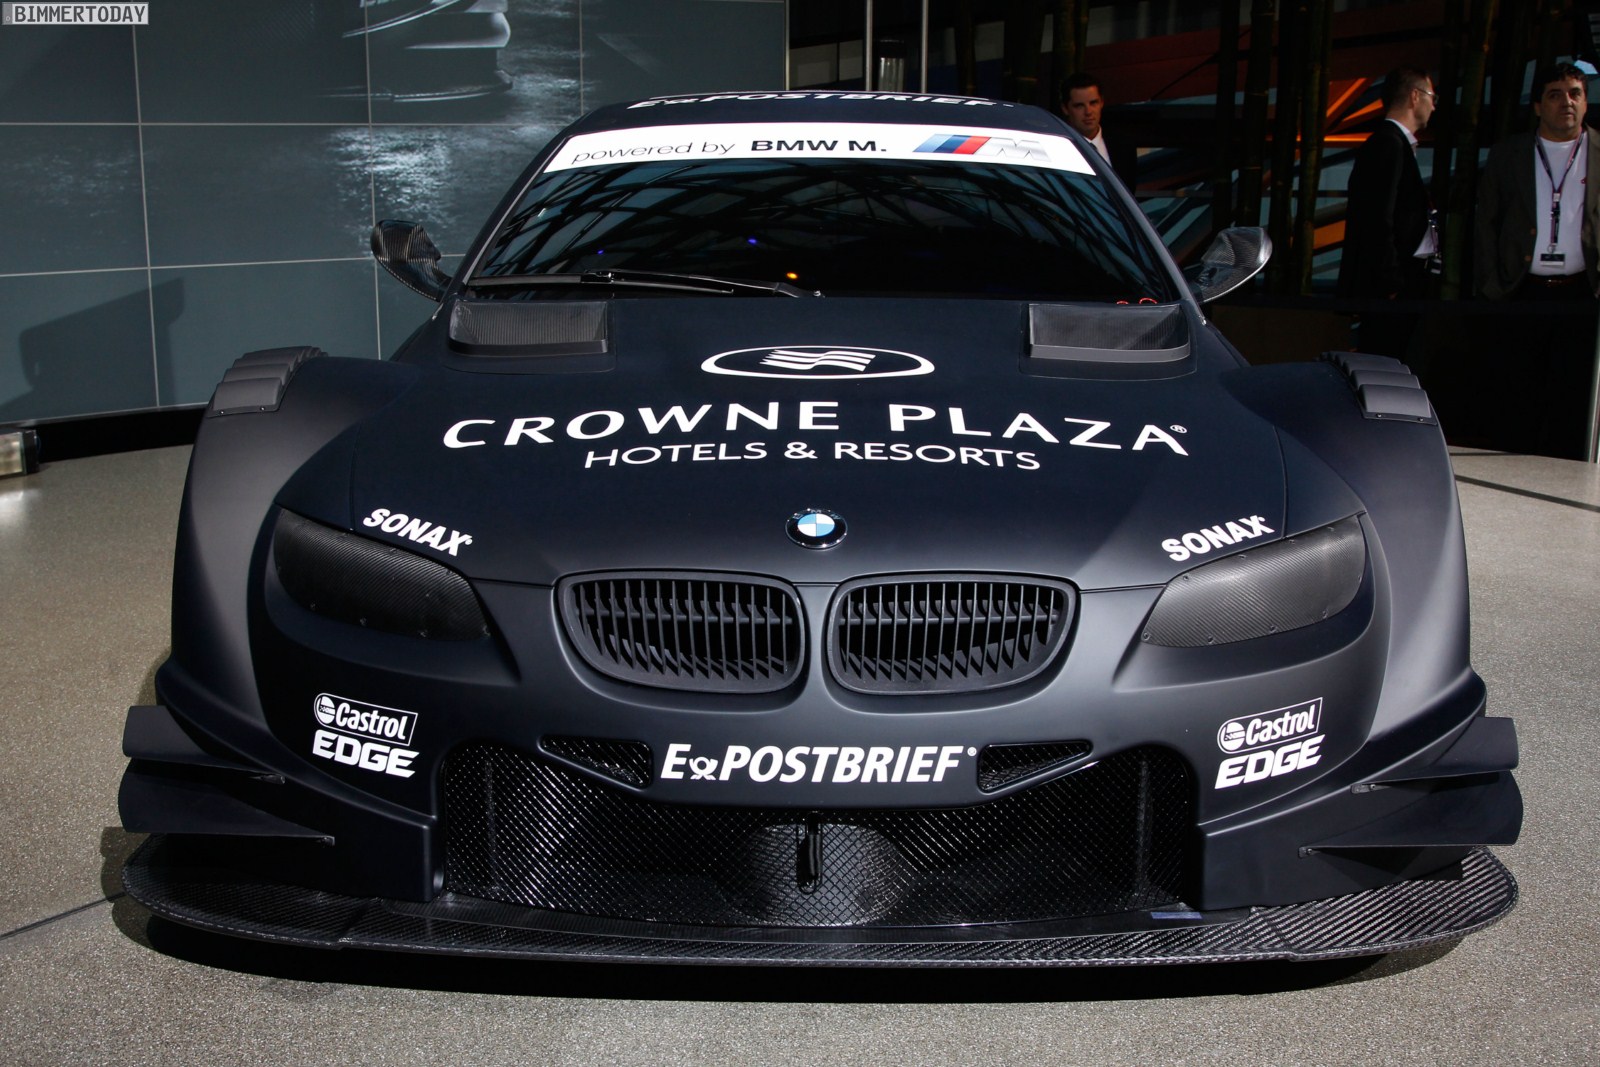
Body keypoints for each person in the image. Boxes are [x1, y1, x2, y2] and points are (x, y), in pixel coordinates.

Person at [1475, 61, 1600, 301]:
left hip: (1587, 290)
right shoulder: (1508, 154)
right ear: (1538, 107)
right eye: (1555, 95)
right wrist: (1491, 285)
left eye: (1575, 94)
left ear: (1585, 103)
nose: (1567, 102)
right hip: (1519, 289)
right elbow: (1487, 222)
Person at [1337, 68, 1439, 300]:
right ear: (1415, 96)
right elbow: (1377, 216)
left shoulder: (1393, 143)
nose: (1433, 107)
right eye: (1432, 97)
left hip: (1399, 280)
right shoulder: (1388, 144)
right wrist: (1391, 281)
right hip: (1389, 287)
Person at [1059, 72, 1135, 186]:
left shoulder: (1123, 145)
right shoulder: (1058, 148)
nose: (1088, 112)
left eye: (1093, 103)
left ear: (1102, 102)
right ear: (1065, 108)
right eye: (1079, 105)